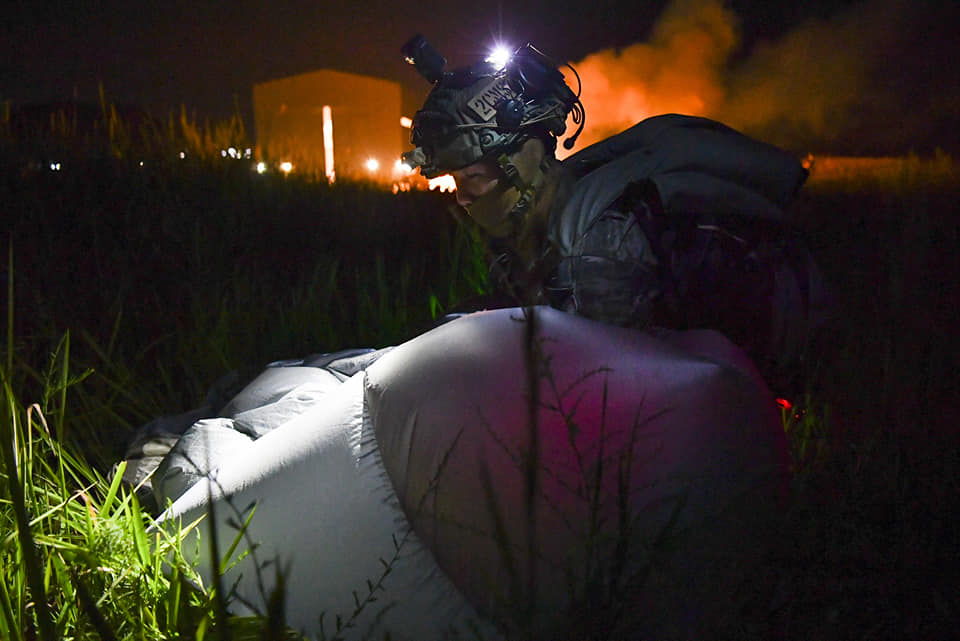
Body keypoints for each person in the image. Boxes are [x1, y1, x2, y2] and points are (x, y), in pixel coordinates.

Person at [401, 36, 830, 389]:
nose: (462, 199)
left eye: (471, 179)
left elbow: (608, 396)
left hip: (775, 380)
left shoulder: (594, 249)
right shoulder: (553, 210)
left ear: (518, 162)